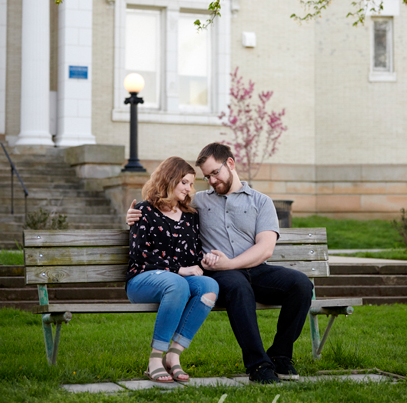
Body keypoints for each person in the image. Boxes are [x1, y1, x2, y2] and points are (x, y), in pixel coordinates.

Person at [127, 144, 314, 385]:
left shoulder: (262, 202)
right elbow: (164, 203)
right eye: (207, 177)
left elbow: (265, 248)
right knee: (238, 287)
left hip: (255, 269)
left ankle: (280, 355)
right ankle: (258, 365)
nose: (211, 180)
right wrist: (131, 216)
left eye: (215, 173)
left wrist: (231, 263)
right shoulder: (198, 202)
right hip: (220, 276)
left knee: (300, 285)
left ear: (231, 164)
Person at [126, 156, 219, 384]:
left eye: (190, 183)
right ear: (169, 180)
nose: (189, 189)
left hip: (175, 281)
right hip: (142, 281)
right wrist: (179, 269)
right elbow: (140, 255)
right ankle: (155, 359)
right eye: (184, 182)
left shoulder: (190, 216)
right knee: (176, 283)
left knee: (209, 286)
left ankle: (173, 355)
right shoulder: (143, 211)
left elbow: (193, 253)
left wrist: (205, 260)